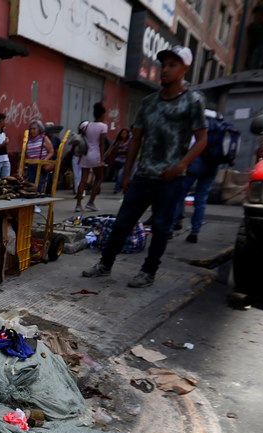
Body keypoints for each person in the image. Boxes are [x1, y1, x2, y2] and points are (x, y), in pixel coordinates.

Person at [82, 45, 206, 288]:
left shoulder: (193, 101)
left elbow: (202, 139)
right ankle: (105, 264)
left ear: (185, 68)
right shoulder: (149, 102)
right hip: (144, 175)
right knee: (122, 223)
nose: (165, 70)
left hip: (170, 178)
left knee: (161, 227)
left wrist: (181, 165)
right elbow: (136, 139)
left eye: (173, 65)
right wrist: (126, 173)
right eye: (164, 65)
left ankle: (148, 271)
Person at [172, 109, 223, 243]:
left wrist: (183, 163)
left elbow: (191, 144)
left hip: (195, 163)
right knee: (201, 199)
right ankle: (195, 232)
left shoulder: (198, 118)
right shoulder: (218, 120)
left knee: (179, 196)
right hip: (212, 165)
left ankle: (169, 229)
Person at [76, 102, 108, 212]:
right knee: (99, 178)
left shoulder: (88, 125)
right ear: (102, 114)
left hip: (86, 154)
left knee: (83, 181)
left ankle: (78, 204)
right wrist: (102, 159)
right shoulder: (103, 126)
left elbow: (83, 140)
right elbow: (102, 144)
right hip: (96, 155)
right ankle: (91, 202)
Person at [23, 120, 54, 192]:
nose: (32, 131)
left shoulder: (43, 138)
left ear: (39, 129)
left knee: (39, 185)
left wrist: (44, 161)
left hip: (40, 166)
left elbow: (51, 151)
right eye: (31, 129)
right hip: (31, 166)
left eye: (34, 129)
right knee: (31, 185)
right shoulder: (28, 139)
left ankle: (38, 202)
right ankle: (33, 201)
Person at [106, 128, 131, 193]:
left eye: (125, 133)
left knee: (120, 174)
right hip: (117, 161)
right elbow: (111, 149)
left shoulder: (129, 141)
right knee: (117, 175)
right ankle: (120, 187)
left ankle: (117, 188)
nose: (123, 135)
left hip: (125, 160)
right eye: (122, 133)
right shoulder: (118, 142)